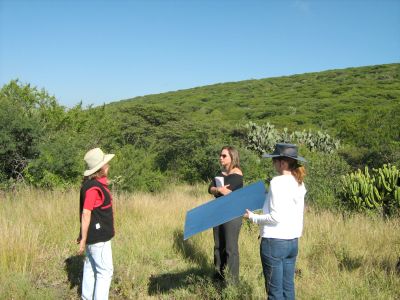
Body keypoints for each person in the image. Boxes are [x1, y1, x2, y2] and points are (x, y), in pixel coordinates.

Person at [244, 143, 307, 300]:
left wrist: (252, 217)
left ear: (283, 163)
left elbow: (275, 217)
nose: (273, 164)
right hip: (292, 242)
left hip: (274, 243)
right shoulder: (299, 182)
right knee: (288, 289)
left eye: (274, 160)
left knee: (274, 293)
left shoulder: (277, 182)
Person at [77, 147, 115, 300]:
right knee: (105, 272)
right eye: (106, 164)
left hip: (93, 238)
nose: (108, 166)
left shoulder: (88, 184)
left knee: (91, 269)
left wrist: (83, 236)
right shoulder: (94, 188)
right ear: (100, 168)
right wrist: (83, 239)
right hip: (99, 239)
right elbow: (86, 213)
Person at [208, 146, 243, 283]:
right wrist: (217, 189)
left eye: (224, 156)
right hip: (218, 212)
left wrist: (218, 190)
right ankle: (218, 276)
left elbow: (228, 191)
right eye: (220, 155)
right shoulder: (220, 173)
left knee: (230, 248)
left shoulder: (237, 174)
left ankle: (232, 282)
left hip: (232, 215)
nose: (220, 158)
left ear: (232, 157)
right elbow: (210, 188)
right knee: (218, 246)